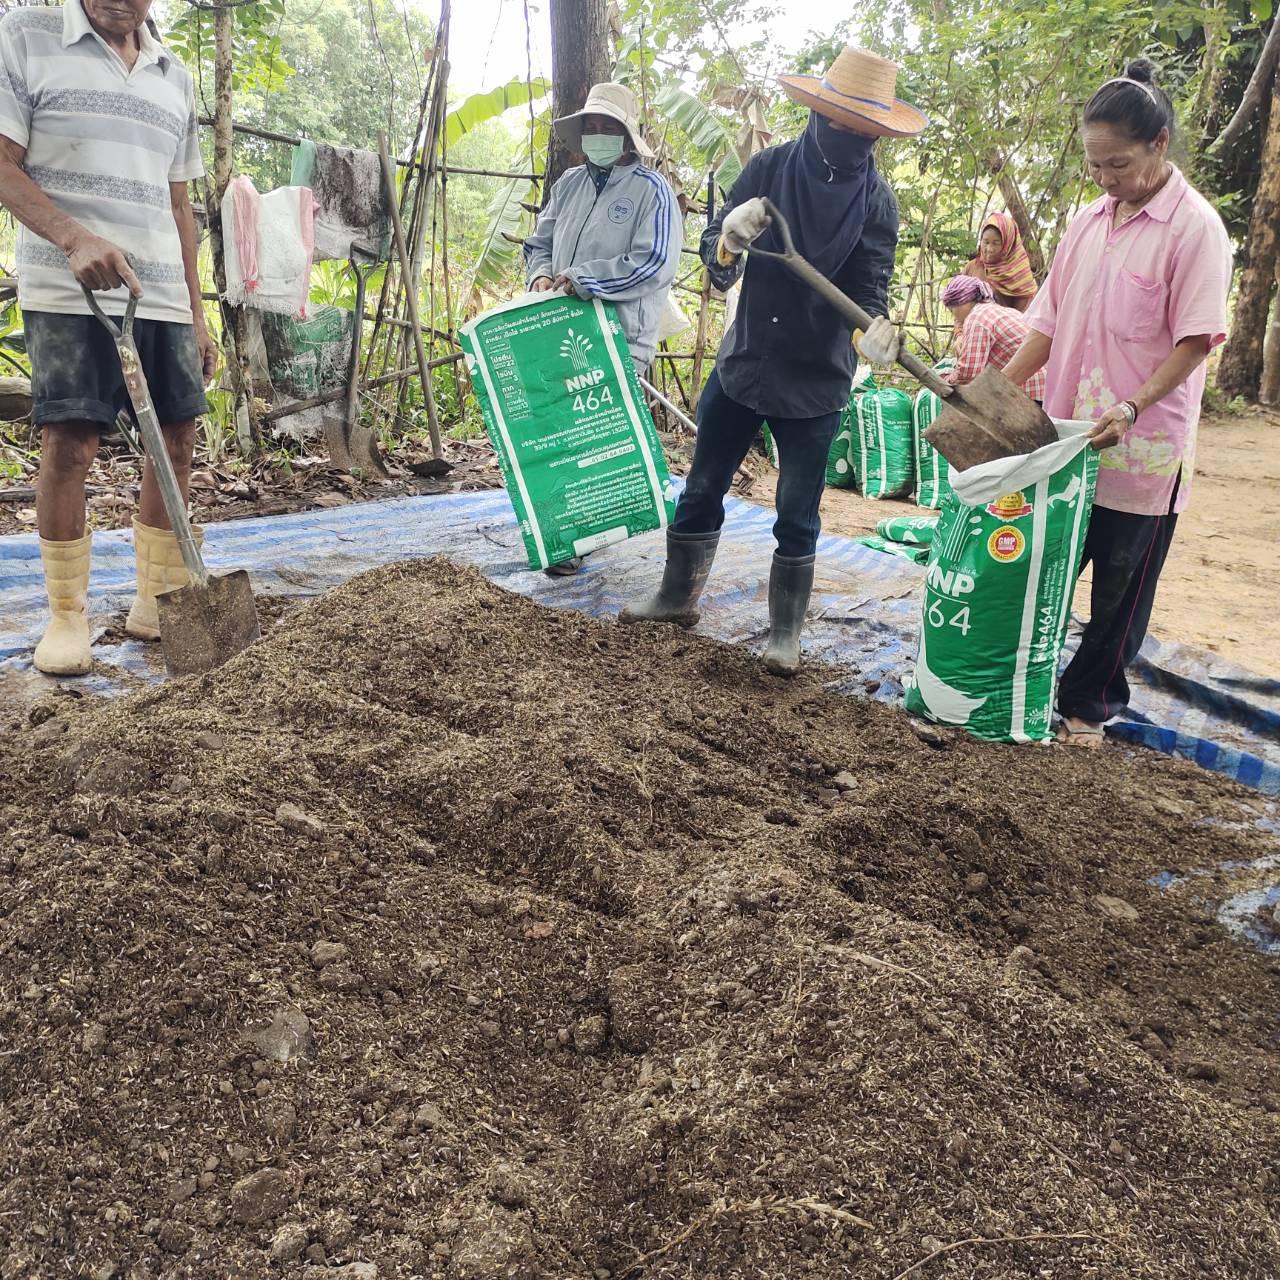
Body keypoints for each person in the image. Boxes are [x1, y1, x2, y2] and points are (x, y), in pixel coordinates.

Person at [619, 47, 923, 675]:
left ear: (875, 133)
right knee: (702, 486)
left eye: (862, 131)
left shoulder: (877, 204)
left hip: (816, 378)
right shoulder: (768, 167)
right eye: (837, 123)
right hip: (746, 359)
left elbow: (867, 295)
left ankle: (784, 633)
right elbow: (713, 263)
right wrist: (727, 240)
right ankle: (678, 596)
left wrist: (872, 335)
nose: (846, 137)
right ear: (817, 114)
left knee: (797, 510)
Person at [1000, 59, 1232, 749]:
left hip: (1142, 444)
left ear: (1160, 144)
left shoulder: (1196, 230)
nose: (1106, 180)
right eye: (1095, 166)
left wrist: (1131, 407)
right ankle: (1021, 682)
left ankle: (1089, 706)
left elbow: (1196, 342)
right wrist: (996, 390)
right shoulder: (1088, 223)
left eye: (1119, 165)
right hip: (1069, 435)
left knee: (1119, 591)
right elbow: (1046, 322)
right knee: (1042, 563)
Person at [0, 0, 216, 677]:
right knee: (72, 443)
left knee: (175, 439)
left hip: (161, 293)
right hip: (72, 288)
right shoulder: (27, 36)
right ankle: (68, 616)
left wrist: (197, 307)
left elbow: (178, 204)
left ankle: (157, 600)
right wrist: (73, 236)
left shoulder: (173, 71)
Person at [523, 82, 682, 575]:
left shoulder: (650, 190)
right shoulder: (568, 185)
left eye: (607, 128)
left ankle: (587, 535)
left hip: (618, 334)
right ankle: (566, 536)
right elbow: (538, 242)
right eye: (591, 126)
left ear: (625, 137)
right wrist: (543, 276)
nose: (597, 135)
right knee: (559, 435)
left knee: (598, 440)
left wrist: (583, 279)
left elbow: (653, 263)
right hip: (562, 327)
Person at [940, 276, 1045, 402]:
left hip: (1027, 395)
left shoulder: (977, 318)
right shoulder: (1000, 311)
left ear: (961, 304)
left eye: (952, 310)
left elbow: (969, 373)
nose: (955, 317)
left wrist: (945, 381)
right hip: (1044, 389)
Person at [964, 211, 1038, 311]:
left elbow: (1023, 319)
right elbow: (959, 304)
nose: (989, 249)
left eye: (996, 243)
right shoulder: (972, 267)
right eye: (986, 242)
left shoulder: (1019, 276)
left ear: (1008, 244)